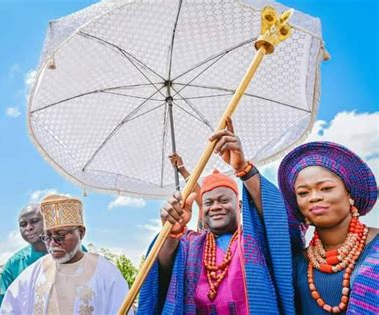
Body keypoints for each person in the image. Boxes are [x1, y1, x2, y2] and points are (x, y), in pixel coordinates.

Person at [138, 118, 298, 314]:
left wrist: (243, 169)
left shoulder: (253, 240)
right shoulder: (191, 242)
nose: (215, 207)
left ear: (239, 206)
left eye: (223, 200)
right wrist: (171, 232)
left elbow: (277, 220)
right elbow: (163, 268)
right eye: (208, 203)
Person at [277, 141, 378, 314]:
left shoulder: (375, 247)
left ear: (349, 194)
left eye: (326, 188)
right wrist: (246, 172)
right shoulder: (297, 263)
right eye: (303, 193)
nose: (314, 197)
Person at [0, 194, 132, 314]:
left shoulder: (106, 273)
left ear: (81, 232)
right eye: (47, 236)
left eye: (60, 236)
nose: (52, 243)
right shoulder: (34, 273)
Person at [0, 204, 47, 314]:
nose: (28, 228)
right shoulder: (14, 264)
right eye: (23, 224)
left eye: (35, 221)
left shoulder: (72, 251)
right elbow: (1, 306)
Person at [168, 153, 203, 231]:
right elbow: (194, 186)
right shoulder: (205, 207)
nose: (216, 206)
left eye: (224, 200)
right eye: (210, 201)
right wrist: (181, 169)